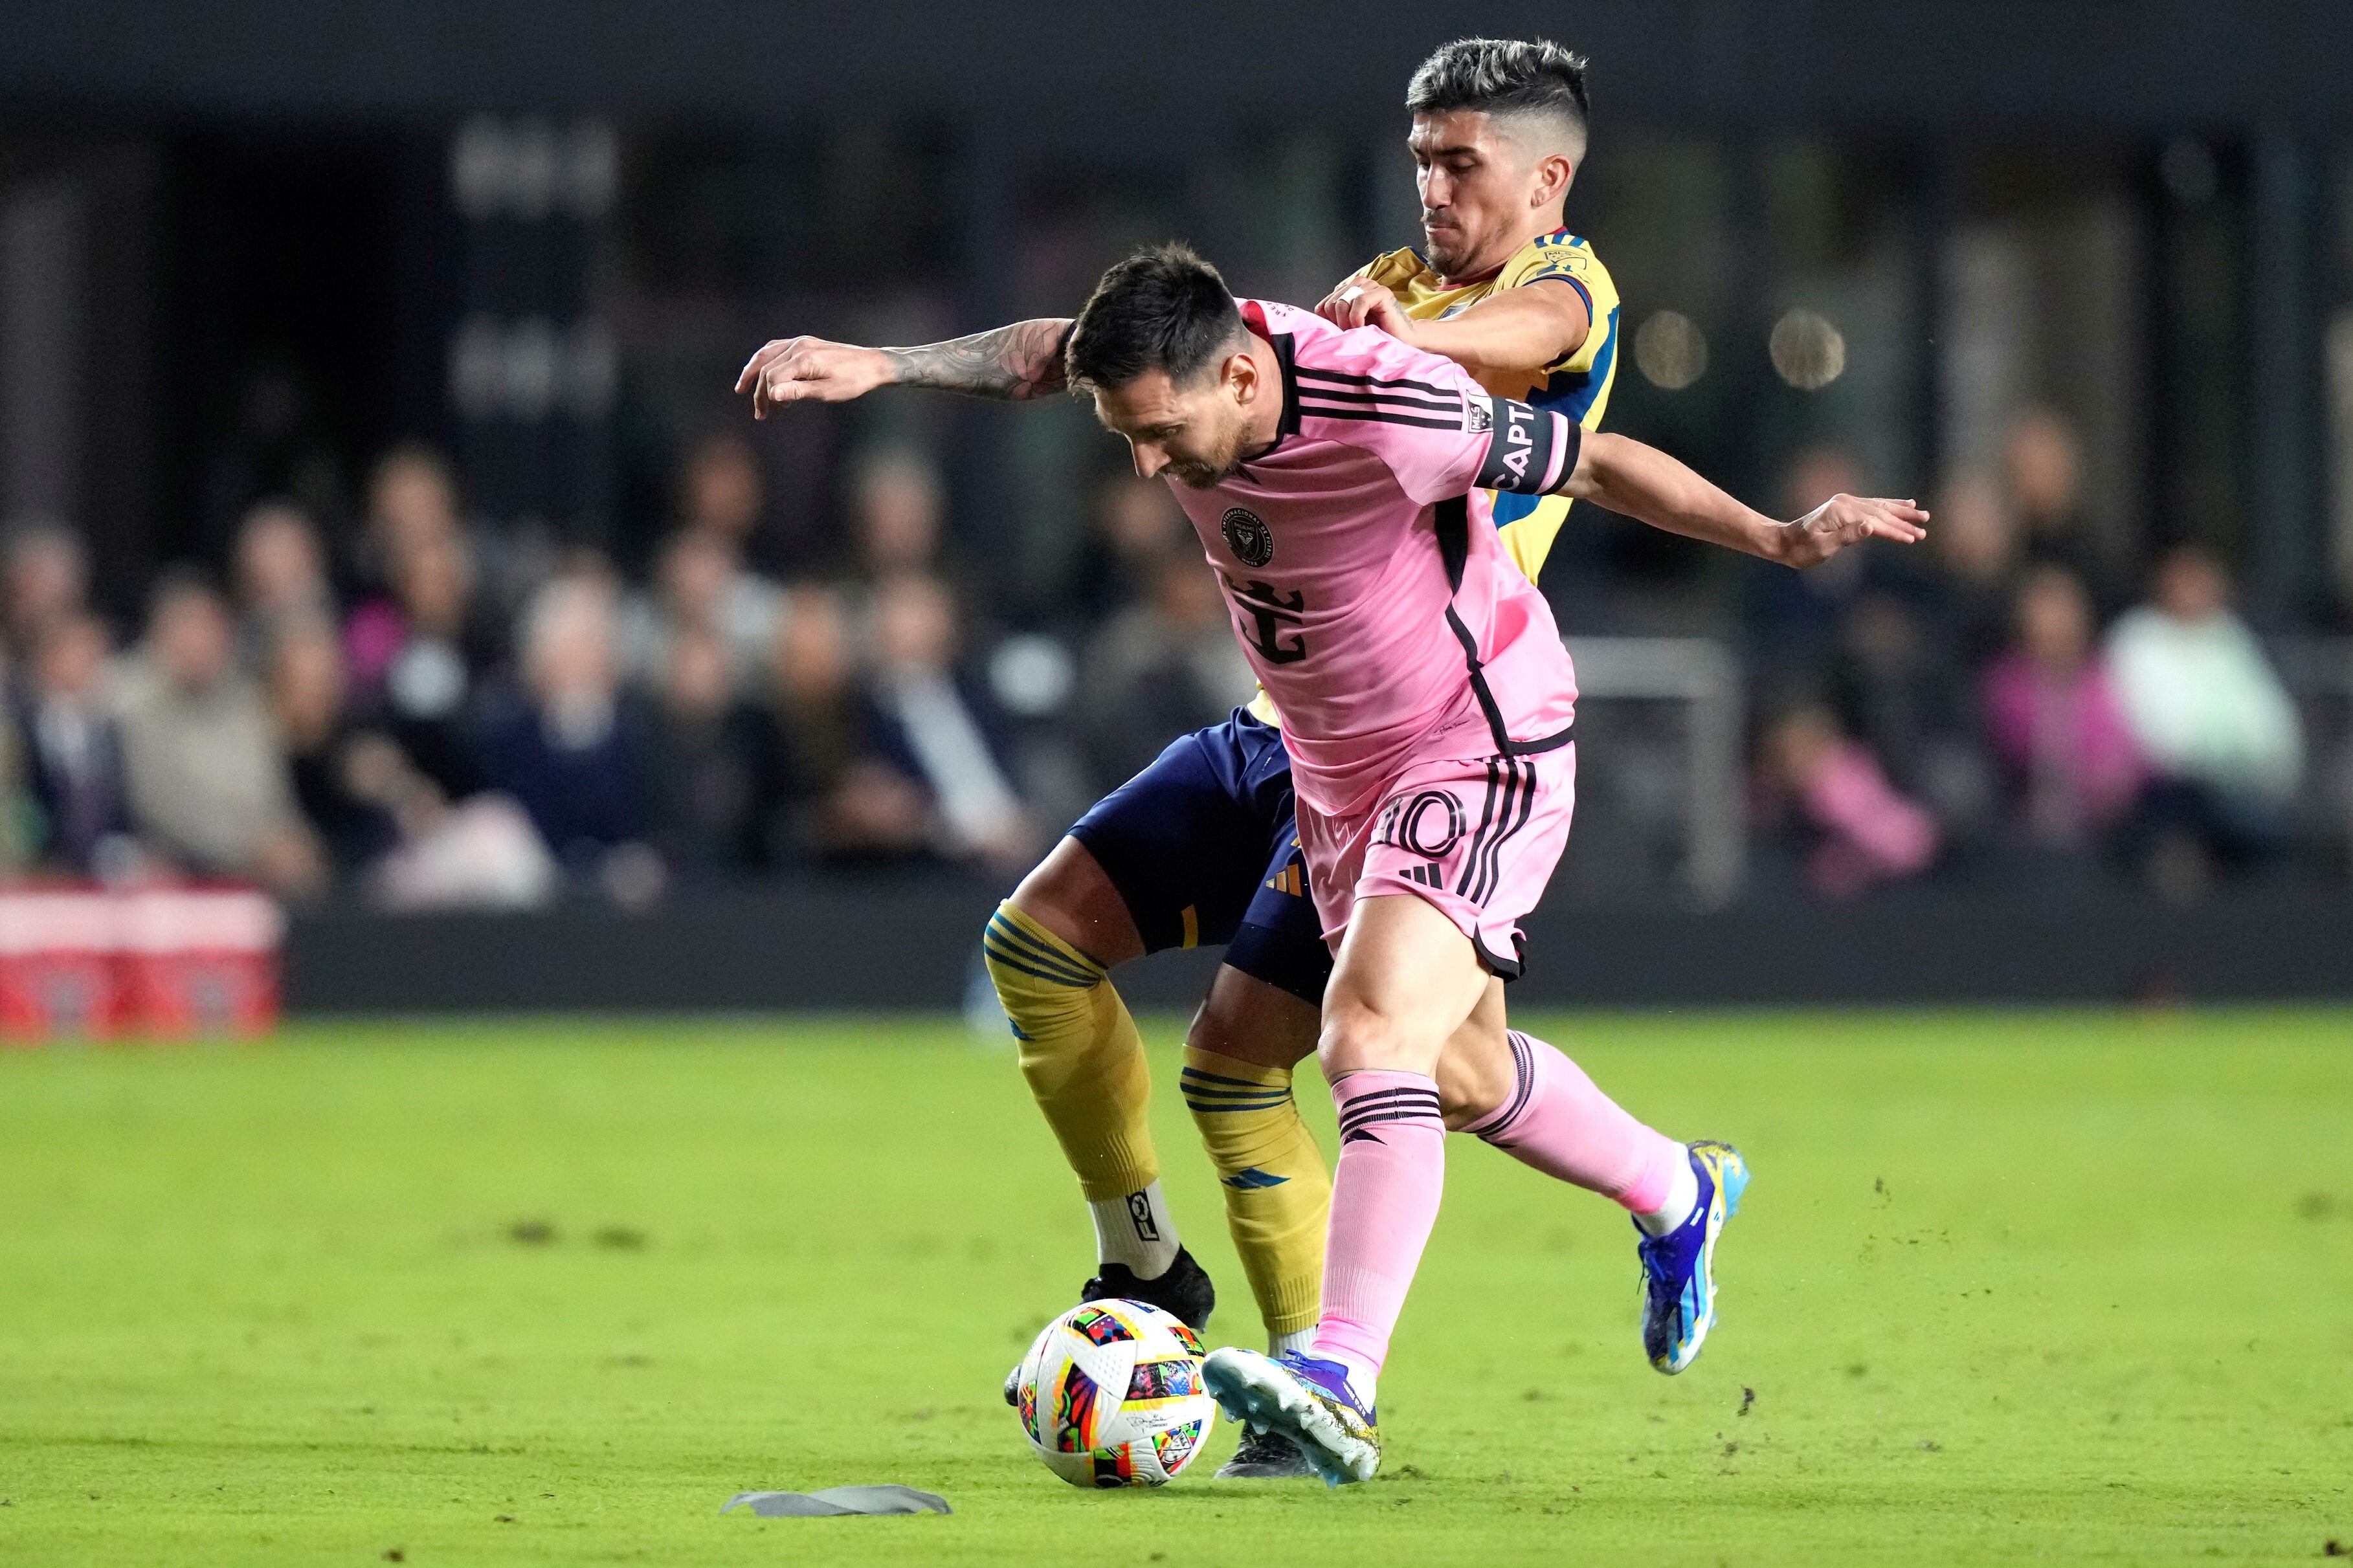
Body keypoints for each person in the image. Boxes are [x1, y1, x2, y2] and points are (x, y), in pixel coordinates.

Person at [741, 233, 1923, 1482]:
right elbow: (1043, 355)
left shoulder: (1389, 398)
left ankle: (1335, 1379)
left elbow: (1600, 464)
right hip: (1324, 762)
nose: (1146, 465)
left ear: (1242, 381)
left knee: (1366, 1036)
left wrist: (1781, 538)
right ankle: (1677, 1189)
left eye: (1159, 433)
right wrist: (883, 363)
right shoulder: (1182, 363)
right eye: (1126, 434)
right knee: (1458, 1072)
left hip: (1477, 745)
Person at [747, 41, 1640, 1484]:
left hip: (1430, 734)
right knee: (1044, 947)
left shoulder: (1557, 295)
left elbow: (1533, 346)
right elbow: (1108, 348)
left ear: (1547, 175)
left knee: (1296, 1062)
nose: (1429, 185)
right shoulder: (1367, 301)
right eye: (1418, 156)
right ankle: (1150, 1263)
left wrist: (1376, 347)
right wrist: (886, 364)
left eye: (1458, 161)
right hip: (1290, 721)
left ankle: (1316, 1394)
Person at [114, 573, 324, 896]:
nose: (200, 642)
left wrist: (284, 837)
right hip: (174, 863)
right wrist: (247, 846)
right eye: (187, 628)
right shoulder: (130, 699)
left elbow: (273, 797)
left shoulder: (247, 702)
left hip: (255, 867)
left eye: (209, 628)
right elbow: (160, 804)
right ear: (160, 634)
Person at [2104, 547, 2303, 878]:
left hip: (2246, 790)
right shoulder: (2136, 639)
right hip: (2167, 795)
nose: (2195, 589)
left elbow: (2272, 723)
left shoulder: (2231, 637)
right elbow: (2154, 737)